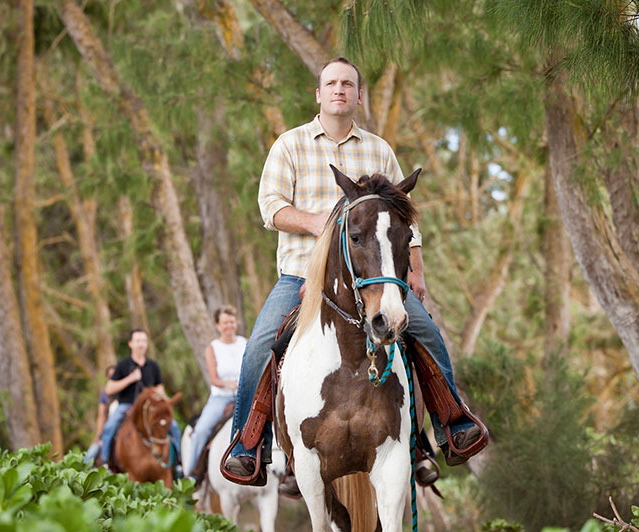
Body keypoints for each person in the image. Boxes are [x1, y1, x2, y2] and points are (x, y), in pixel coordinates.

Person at [223, 56, 483, 492]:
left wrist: (415, 270)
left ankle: (445, 427)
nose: (339, 89)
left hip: (374, 279)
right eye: (331, 83)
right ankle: (252, 446)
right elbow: (271, 208)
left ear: (359, 95)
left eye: (348, 84)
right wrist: (323, 224)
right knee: (259, 347)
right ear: (319, 94)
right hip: (302, 277)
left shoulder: (379, 149)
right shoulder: (290, 144)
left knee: (426, 332)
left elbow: (405, 219)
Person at [99, 328, 182, 467]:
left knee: (173, 426)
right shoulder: (123, 365)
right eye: (137, 341)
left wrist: (159, 394)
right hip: (127, 405)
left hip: (150, 406)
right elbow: (109, 389)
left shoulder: (153, 366)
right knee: (109, 427)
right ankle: (105, 462)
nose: (141, 344)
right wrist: (130, 379)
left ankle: (179, 462)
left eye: (144, 341)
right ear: (130, 344)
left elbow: (160, 387)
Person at [184, 305, 246, 477]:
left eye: (232, 322)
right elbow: (213, 379)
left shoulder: (244, 343)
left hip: (244, 397)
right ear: (217, 326)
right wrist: (228, 384)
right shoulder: (213, 347)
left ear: (236, 323)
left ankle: (285, 469)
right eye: (225, 323)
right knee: (200, 431)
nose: (229, 326)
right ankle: (191, 474)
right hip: (221, 398)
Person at [84, 365, 116, 465]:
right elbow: (101, 416)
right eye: (111, 377)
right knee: (90, 456)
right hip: (107, 430)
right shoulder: (104, 396)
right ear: (107, 378)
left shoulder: (124, 394)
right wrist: (98, 436)